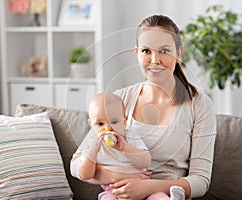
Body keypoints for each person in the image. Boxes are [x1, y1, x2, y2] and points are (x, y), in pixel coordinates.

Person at [71, 14, 216, 200]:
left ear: (179, 53)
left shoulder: (199, 105)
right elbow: (77, 164)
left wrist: (146, 187)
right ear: (137, 53)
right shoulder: (120, 99)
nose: (155, 60)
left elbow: (201, 180)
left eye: (164, 51)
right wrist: (115, 176)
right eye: (146, 51)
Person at [75, 92, 186, 200]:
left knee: (157, 196)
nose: (107, 128)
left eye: (114, 122)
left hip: (142, 187)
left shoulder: (130, 136)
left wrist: (124, 148)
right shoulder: (92, 143)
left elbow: (145, 162)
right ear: (91, 124)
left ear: (124, 121)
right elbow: (85, 175)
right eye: (100, 124)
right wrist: (92, 152)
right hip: (114, 190)